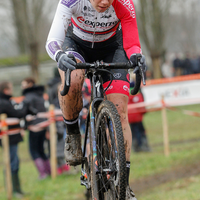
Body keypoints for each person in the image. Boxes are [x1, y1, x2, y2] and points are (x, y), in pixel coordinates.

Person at [45, 0, 146, 199]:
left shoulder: (124, 3)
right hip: (76, 45)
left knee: (119, 109)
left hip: (112, 47)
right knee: (73, 81)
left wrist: (136, 56)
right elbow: (53, 40)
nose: (105, 2)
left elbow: (132, 42)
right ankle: (73, 133)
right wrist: (59, 55)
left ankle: (123, 182)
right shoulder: (71, 1)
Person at [0, 81, 35, 197]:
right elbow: (17, 113)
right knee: (12, 163)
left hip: (11, 137)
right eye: (10, 88)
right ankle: (13, 190)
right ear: (6, 90)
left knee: (13, 162)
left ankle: (17, 189)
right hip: (8, 138)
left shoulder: (6, 101)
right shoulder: (4, 103)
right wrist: (25, 106)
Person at [21, 77, 50, 180]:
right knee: (41, 150)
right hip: (44, 124)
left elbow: (24, 111)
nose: (22, 86)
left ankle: (43, 173)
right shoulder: (40, 94)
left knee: (34, 151)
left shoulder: (28, 96)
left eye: (24, 84)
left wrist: (24, 126)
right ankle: (49, 171)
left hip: (34, 126)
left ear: (29, 84)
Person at [128, 82, 150, 152]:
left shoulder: (127, 95)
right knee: (141, 131)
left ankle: (135, 146)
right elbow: (141, 106)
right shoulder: (138, 95)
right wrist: (144, 112)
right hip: (137, 117)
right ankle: (142, 146)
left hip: (129, 117)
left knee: (133, 132)